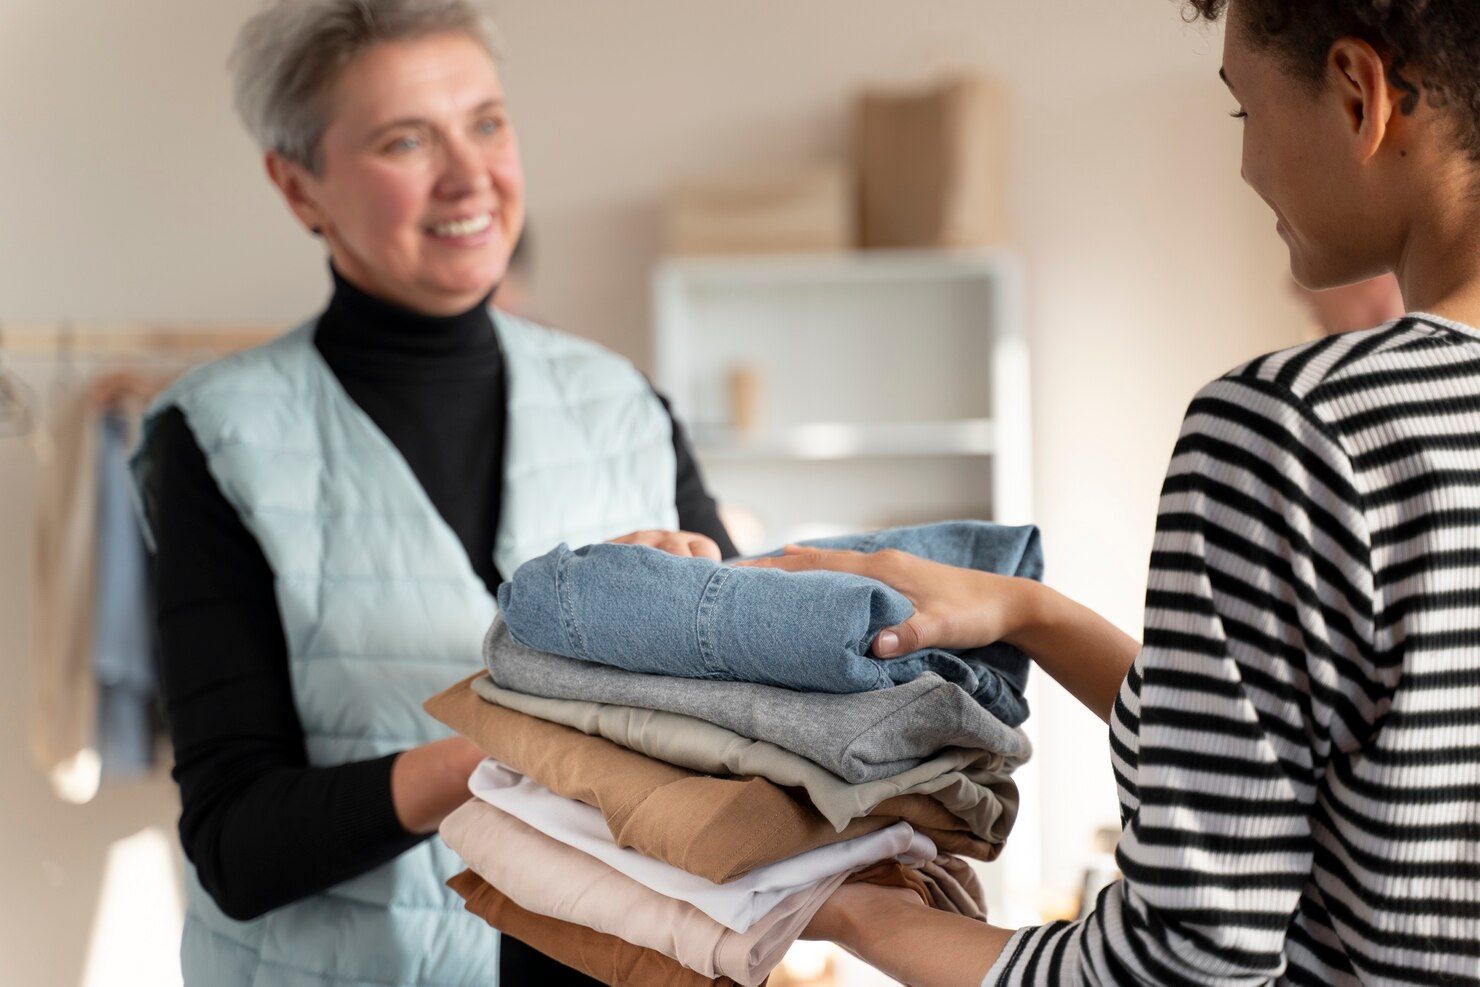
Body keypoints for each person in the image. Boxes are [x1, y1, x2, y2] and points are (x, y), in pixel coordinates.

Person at [753, 1, 1480, 983]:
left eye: (1242, 114)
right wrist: (1035, 615)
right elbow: (1347, 759)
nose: (1247, 164)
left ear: (1359, 94)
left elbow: (1172, 971)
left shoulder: (1296, 427)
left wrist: (852, 913)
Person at [130, 1, 733, 985]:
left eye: (487, 123)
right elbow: (237, 846)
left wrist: (701, 631)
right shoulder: (214, 438)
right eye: (406, 140)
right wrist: (526, 743)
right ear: (298, 187)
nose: (471, 176)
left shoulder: (624, 406)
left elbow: (742, 751)